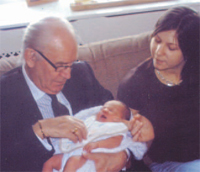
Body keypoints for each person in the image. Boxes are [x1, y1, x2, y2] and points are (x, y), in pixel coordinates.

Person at [0, 16, 117, 171]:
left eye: (71, 64)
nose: (68, 75)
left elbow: (120, 116)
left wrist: (124, 156)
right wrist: (38, 131)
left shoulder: (81, 73)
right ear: (31, 57)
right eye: (60, 66)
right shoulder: (4, 95)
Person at [117, 6, 200, 172]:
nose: (159, 52)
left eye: (171, 47)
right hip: (169, 164)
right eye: (157, 40)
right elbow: (125, 141)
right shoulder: (134, 83)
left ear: (189, 50)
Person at [43, 100, 154, 172]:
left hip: (88, 159)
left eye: (111, 110)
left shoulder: (116, 128)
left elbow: (116, 141)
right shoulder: (89, 121)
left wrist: (97, 144)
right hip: (71, 153)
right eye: (103, 108)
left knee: (72, 161)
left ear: (118, 120)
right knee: (50, 162)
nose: (104, 110)